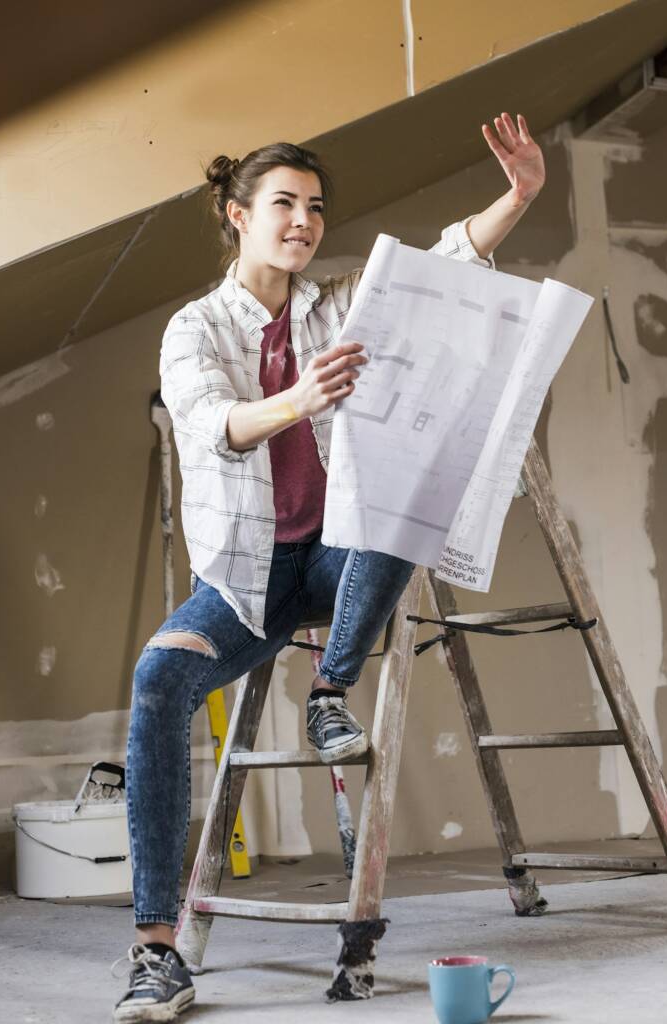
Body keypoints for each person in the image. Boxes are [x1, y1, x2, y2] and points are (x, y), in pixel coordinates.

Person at [112, 113, 545, 1021]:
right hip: (243, 583)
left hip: (340, 568)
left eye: (314, 207)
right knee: (158, 682)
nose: (303, 221)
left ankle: (327, 693)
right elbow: (214, 425)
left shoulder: (340, 300)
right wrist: (296, 399)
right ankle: (157, 952)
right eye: (283, 204)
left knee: (407, 494)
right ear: (237, 214)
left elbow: (442, 265)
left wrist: (516, 196)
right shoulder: (194, 329)